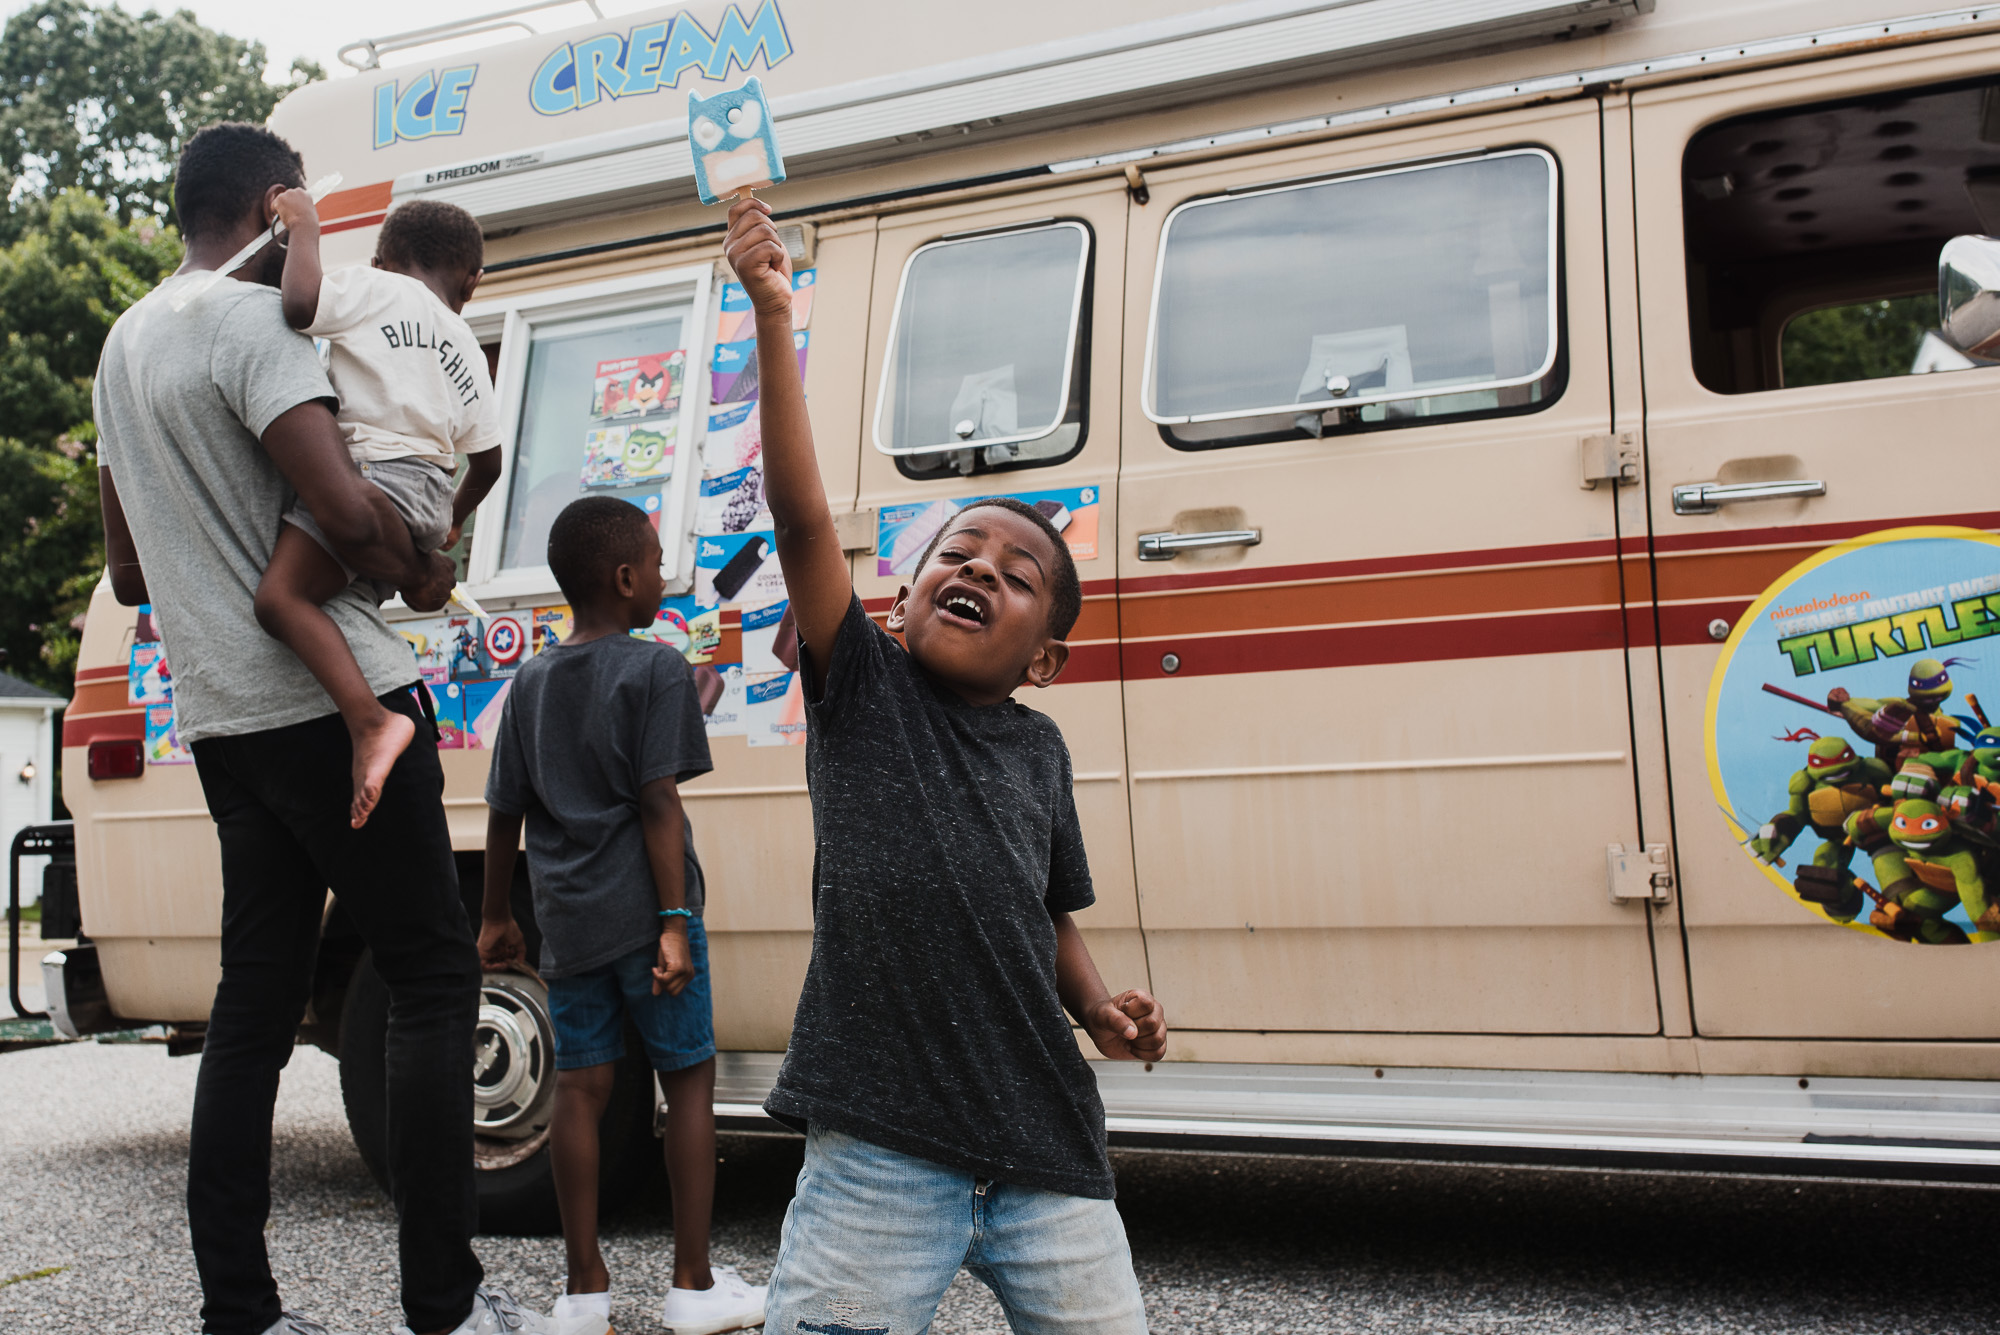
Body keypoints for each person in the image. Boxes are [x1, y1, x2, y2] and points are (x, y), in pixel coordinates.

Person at [93, 121, 591, 1335]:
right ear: (278, 202)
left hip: (222, 722)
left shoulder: (124, 344)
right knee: (430, 981)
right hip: (335, 703)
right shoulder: (252, 325)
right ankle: (446, 1310)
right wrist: (421, 562)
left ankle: (242, 1314)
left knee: (251, 1010)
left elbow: (128, 573)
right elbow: (348, 516)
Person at [721, 195, 1168, 1331]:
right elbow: (803, 518)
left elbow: (1049, 913)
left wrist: (1098, 1011)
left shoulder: (1039, 749)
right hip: (880, 1148)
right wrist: (775, 316)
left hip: (1046, 1148)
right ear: (905, 594)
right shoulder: (863, 687)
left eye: (1014, 574)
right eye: (953, 552)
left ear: (1047, 660)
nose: (974, 568)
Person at [479, 497, 767, 1335]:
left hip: (567, 921)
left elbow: (504, 813)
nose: (666, 577)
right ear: (625, 576)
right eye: (655, 562)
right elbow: (657, 805)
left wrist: (497, 915)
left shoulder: (529, 679)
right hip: (649, 922)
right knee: (687, 1082)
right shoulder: (656, 668)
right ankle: (692, 1284)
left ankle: (584, 1293)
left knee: (581, 1088)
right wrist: (675, 920)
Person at [254, 193, 504, 830]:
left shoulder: (375, 288)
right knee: (337, 604)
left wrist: (306, 229)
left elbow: (300, 304)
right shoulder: (468, 347)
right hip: (424, 492)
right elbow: (490, 463)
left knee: (280, 600)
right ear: (472, 280)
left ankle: (373, 723)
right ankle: (358, 716)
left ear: (381, 259)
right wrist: (449, 522)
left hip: (371, 482)